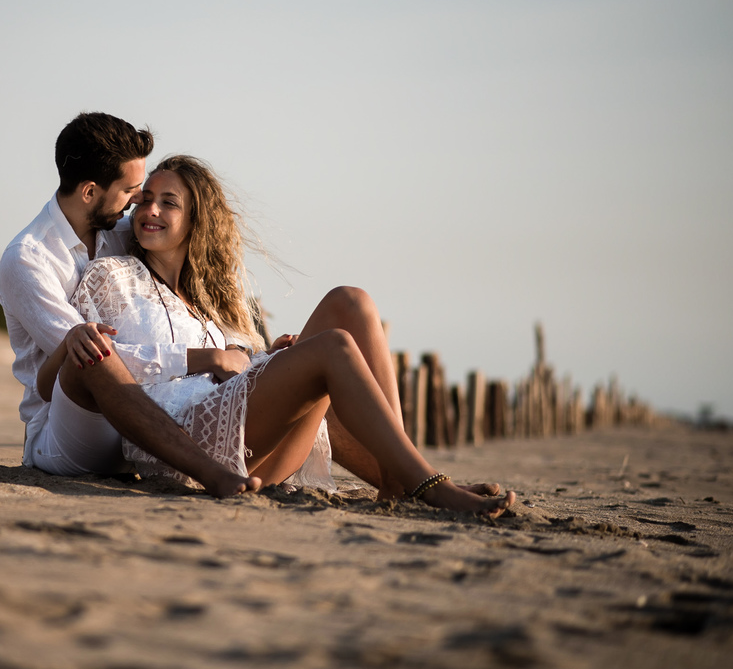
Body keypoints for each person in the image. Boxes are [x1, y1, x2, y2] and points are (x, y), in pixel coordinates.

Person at [39, 155, 515, 517]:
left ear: (197, 219)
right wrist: (206, 359)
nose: (150, 211)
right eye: (145, 200)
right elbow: (108, 364)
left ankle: (399, 473)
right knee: (333, 348)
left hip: (240, 427)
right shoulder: (111, 275)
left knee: (351, 303)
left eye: (169, 203)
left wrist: (269, 361)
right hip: (181, 439)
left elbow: (238, 366)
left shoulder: (213, 299)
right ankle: (429, 485)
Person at [0, 113, 263, 498]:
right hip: (69, 431)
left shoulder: (121, 230)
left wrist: (245, 350)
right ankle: (211, 474)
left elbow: (187, 255)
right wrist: (203, 359)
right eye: (131, 190)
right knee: (90, 347)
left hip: (143, 419)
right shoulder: (28, 258)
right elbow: (86, 360)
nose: (139, 201)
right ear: (89, 192)